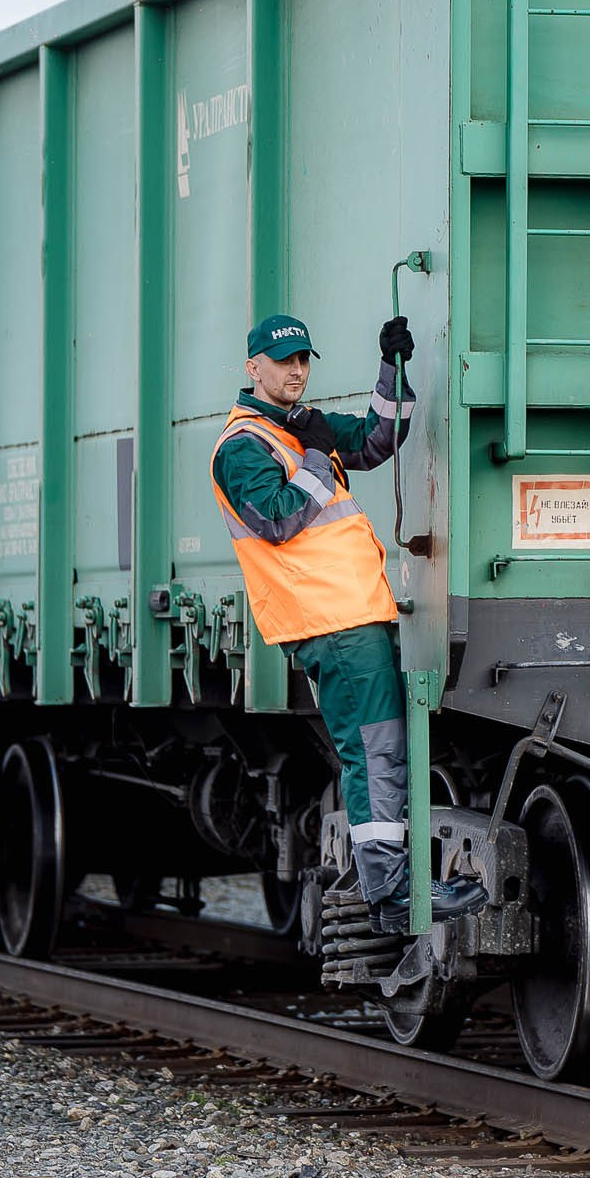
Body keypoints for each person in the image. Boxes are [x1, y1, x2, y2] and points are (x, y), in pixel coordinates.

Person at [210, 313, 487, 935]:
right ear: (252, 367)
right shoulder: (243, 446)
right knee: (374, 751)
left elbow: (376, 440)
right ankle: (391, 894)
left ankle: (395, 886)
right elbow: (276, 520)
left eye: (303, 360)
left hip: (354, 614)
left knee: (383, 750)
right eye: (283, 361)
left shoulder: (295, 427)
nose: (296, 371)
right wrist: (314, 454)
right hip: (329, 621)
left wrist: (391, 369)